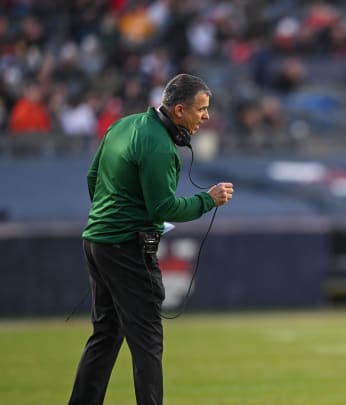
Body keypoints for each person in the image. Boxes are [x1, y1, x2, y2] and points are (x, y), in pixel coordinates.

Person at [68, 73, 234, 405]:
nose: (206, 116)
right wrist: (209, 199)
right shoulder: (159, 146)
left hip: (97, 241)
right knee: (147, 340)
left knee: (106, 334)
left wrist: (110, 216)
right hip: (126, 246)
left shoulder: (123, 126)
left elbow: (92, 177)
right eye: (200, 109)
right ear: (178, 110)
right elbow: (164, 207)